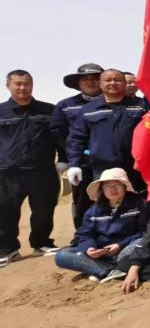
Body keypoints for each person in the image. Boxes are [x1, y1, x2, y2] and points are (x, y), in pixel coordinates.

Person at [0, 70, 62, 266]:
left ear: (32, 85)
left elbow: (60, 137)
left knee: (44, 209)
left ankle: (41, 243)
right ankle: (7, 249)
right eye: (17, 84)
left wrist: (64, 160)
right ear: (8, 86)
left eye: (26, 83)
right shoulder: (1, 111)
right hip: (8, 173)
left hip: (42, 170)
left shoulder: (49, 110)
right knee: (5, 212)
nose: (22, 88)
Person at [54, 169, 150, 282]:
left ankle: (97, 270)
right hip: (101, 254)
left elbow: (145, 232)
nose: (112, 189)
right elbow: (84, 235)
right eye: (107, 186)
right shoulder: (93, 210)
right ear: (102, 189)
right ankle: (108, 271)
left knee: (142, 242)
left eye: (117, 185)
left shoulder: (139, 205)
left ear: (124, 186)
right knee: (62, 255)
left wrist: (119, 245)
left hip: (127, 250)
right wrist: (89, 248)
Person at [66, 69, 147, 192]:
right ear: (100, 84)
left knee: (138, 202)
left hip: (136, 168)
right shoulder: (88, 109)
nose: (113, 83)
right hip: (101, 169)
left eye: (117, 80)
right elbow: (76, 138)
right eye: (108, 80)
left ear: (125, 83)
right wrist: (74, 164)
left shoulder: (142, 106)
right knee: (105, 201)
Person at [51, 62, 104, 231]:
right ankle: (82, 234)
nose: (91, 82)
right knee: (81, 200)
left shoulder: (113, 102)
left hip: (109, 160)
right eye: (85, 79)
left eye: (95, 78)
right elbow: (58, 133)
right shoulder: (65, 105)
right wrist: (65, 158)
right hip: (80, 162)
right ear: (78, 83)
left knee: (112, 197)